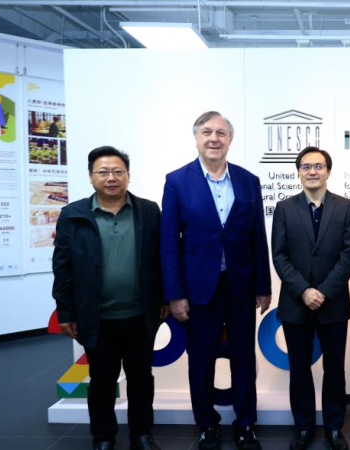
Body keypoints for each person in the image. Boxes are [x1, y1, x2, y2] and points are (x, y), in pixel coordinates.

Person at [161, 111, 272, 450]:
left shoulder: (248, 180)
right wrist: (175, 293)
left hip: (240, 285)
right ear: (196, 138)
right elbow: (169, 242)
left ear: (230, 139)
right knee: (201, 360)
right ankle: (207, 424)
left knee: (244, 358)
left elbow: (258, 236)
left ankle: (245, 423)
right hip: (198, 289)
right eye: (207, 132)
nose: (214, 138)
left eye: (221, 133)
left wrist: (263, 286)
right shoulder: (177, 181)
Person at [52, 146, 167, 450]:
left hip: (140, 314)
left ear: (128, 175)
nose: (111, 178)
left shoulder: (148, 211)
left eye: (118, 171)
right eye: (103, 172)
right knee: (102, 380)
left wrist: (166, 298)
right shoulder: (73, 215)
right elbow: (62, 267)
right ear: (91, 177)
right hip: (96, 316)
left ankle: (141, 434)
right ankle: (103, 437)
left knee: (141, 377)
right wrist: (66, 311)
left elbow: (162, 258)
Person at [271, 147, 350, 450]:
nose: (312, 171)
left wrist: (324, 290)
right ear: (298, 172)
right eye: (306, 166)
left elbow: (349, 253)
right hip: (296, 302)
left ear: (328, 172)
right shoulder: (284, 208)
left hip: (333, 302)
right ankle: (304, 426)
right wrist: (304, 290)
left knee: (334, 369)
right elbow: (279, 255)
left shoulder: (346, 207)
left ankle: (334, 427)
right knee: (299, 369)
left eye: (318, 166)